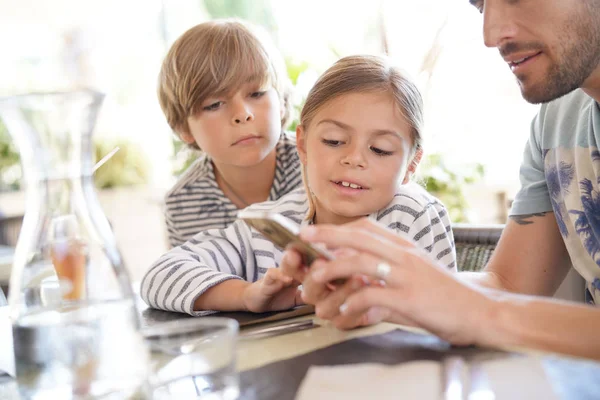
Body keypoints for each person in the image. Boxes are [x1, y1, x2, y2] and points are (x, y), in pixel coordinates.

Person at [282, 0, 600, 360]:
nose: (491, 35)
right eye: (481, 6)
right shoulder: (557, 121)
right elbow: (507, 286)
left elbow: (492, 307)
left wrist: (483, 313)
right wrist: (389, 291)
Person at [140, 55, 456, 316]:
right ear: (303, 144)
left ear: (411, 164)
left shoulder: (414, 216)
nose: (354, 159)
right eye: (334, 141)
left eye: (381, 149)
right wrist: (248, 294)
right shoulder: (265, 225)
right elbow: (160, 275)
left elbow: (447, 315)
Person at [157, 20, 303, 248]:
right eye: (214, 104)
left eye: (257, 93)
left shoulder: (319, 165)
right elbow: (190, 280)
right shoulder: (183, 204)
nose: (242, 114)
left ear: (281, 102)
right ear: (184, 128)